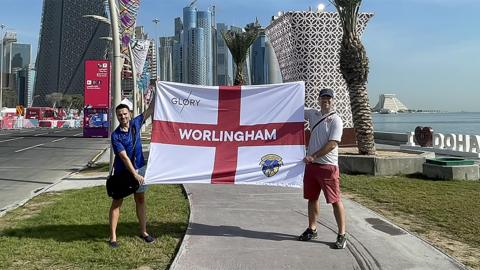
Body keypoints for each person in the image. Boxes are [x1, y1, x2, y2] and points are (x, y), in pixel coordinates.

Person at [298, 88, 347, 249]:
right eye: (323, 98)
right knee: (312, 198)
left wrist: (313, 156)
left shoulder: (336, 120)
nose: (326, 100)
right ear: (318, 100)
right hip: (312, 167)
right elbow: (293, 107)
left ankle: (342, 234)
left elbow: (333, 144)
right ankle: (312, 229)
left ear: (333, 101)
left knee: (334, 200)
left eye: (329, 98)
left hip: (328, 167)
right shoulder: (313, 114)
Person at [108, 97, 155, 248]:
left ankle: (144, 232)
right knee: (117, 203)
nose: (123, 117)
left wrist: (157, 89)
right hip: (123, 173)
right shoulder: (115, 136)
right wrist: (134, 175)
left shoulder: (135, 124)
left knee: (140, 200)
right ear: (117, 117)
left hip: (140, 168)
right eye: (120, 115)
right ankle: (113, 237)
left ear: (129, 114)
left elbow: (150, 110)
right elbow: (124, 157)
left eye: (125, 114)